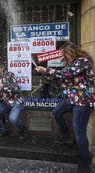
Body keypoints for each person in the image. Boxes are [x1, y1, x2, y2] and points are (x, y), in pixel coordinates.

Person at [35, 42, 95, 173]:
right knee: (56, 113)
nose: (64, 57)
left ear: (71, 51)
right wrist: (44, 73)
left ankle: (85, 163)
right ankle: (65, 135)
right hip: (70, 99)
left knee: (79, 131)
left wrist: (47, 70)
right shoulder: (70, 64)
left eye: (65, 54)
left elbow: (67, 74)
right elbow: (60, 79)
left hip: (82, 101)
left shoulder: (83, 61)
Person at [0, 61, 26, 141]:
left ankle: (21, 131)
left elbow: (17, 88)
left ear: (2, 68)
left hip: (16, 101)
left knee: (13, 119)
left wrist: (3, 85)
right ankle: (4, 130)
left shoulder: (9, 75)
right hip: (4, 102)